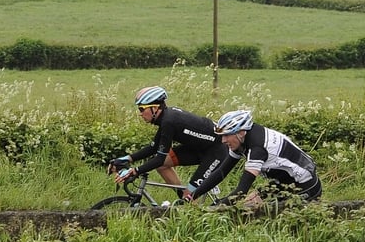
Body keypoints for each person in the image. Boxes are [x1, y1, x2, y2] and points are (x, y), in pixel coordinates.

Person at [109, 86, 230, 198]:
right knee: (163, 167)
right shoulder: (166, 118)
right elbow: (154, 147)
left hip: (216, 151)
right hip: (199, 147)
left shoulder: (169, 121)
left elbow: (159, 158)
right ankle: (182, 199)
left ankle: (189, 203)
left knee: (190, 196)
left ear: (155, 108)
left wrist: (134, 171)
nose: (140, 114)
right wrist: (127, 158)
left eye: (142, 109)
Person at [187, 109, 322, 205]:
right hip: (284, 183)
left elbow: (241, 191)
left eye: (226, 135)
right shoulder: (243, 140)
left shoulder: (257, 149)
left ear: (240, 132)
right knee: (249, 205)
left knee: (258, 213)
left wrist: (217, 205)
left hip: (306, 187)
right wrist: (192, 196)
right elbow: (221, 172)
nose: (223, 140)